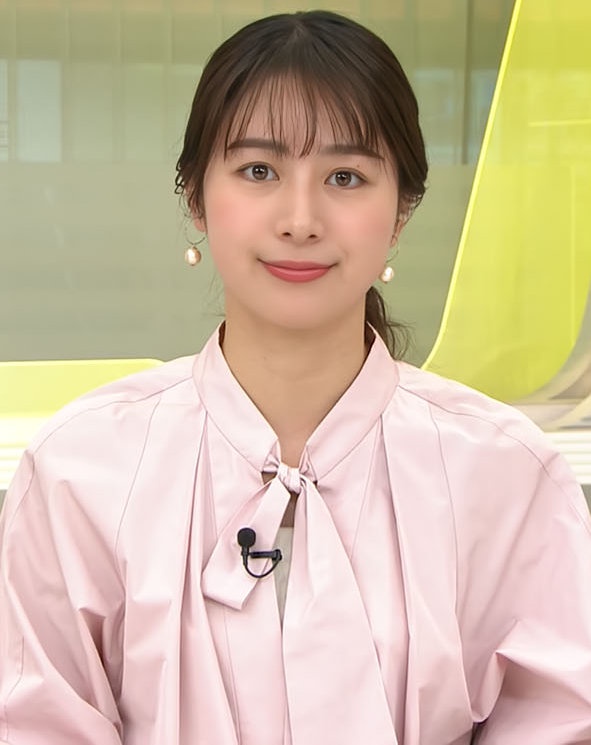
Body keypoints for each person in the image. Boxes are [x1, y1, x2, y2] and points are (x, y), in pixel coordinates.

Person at [1, 10, 590, 745]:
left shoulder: (507, 475)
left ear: (401, 212)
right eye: (259, 171)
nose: (301, 218)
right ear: (195, 197)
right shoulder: (79, 471)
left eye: (345, 177)